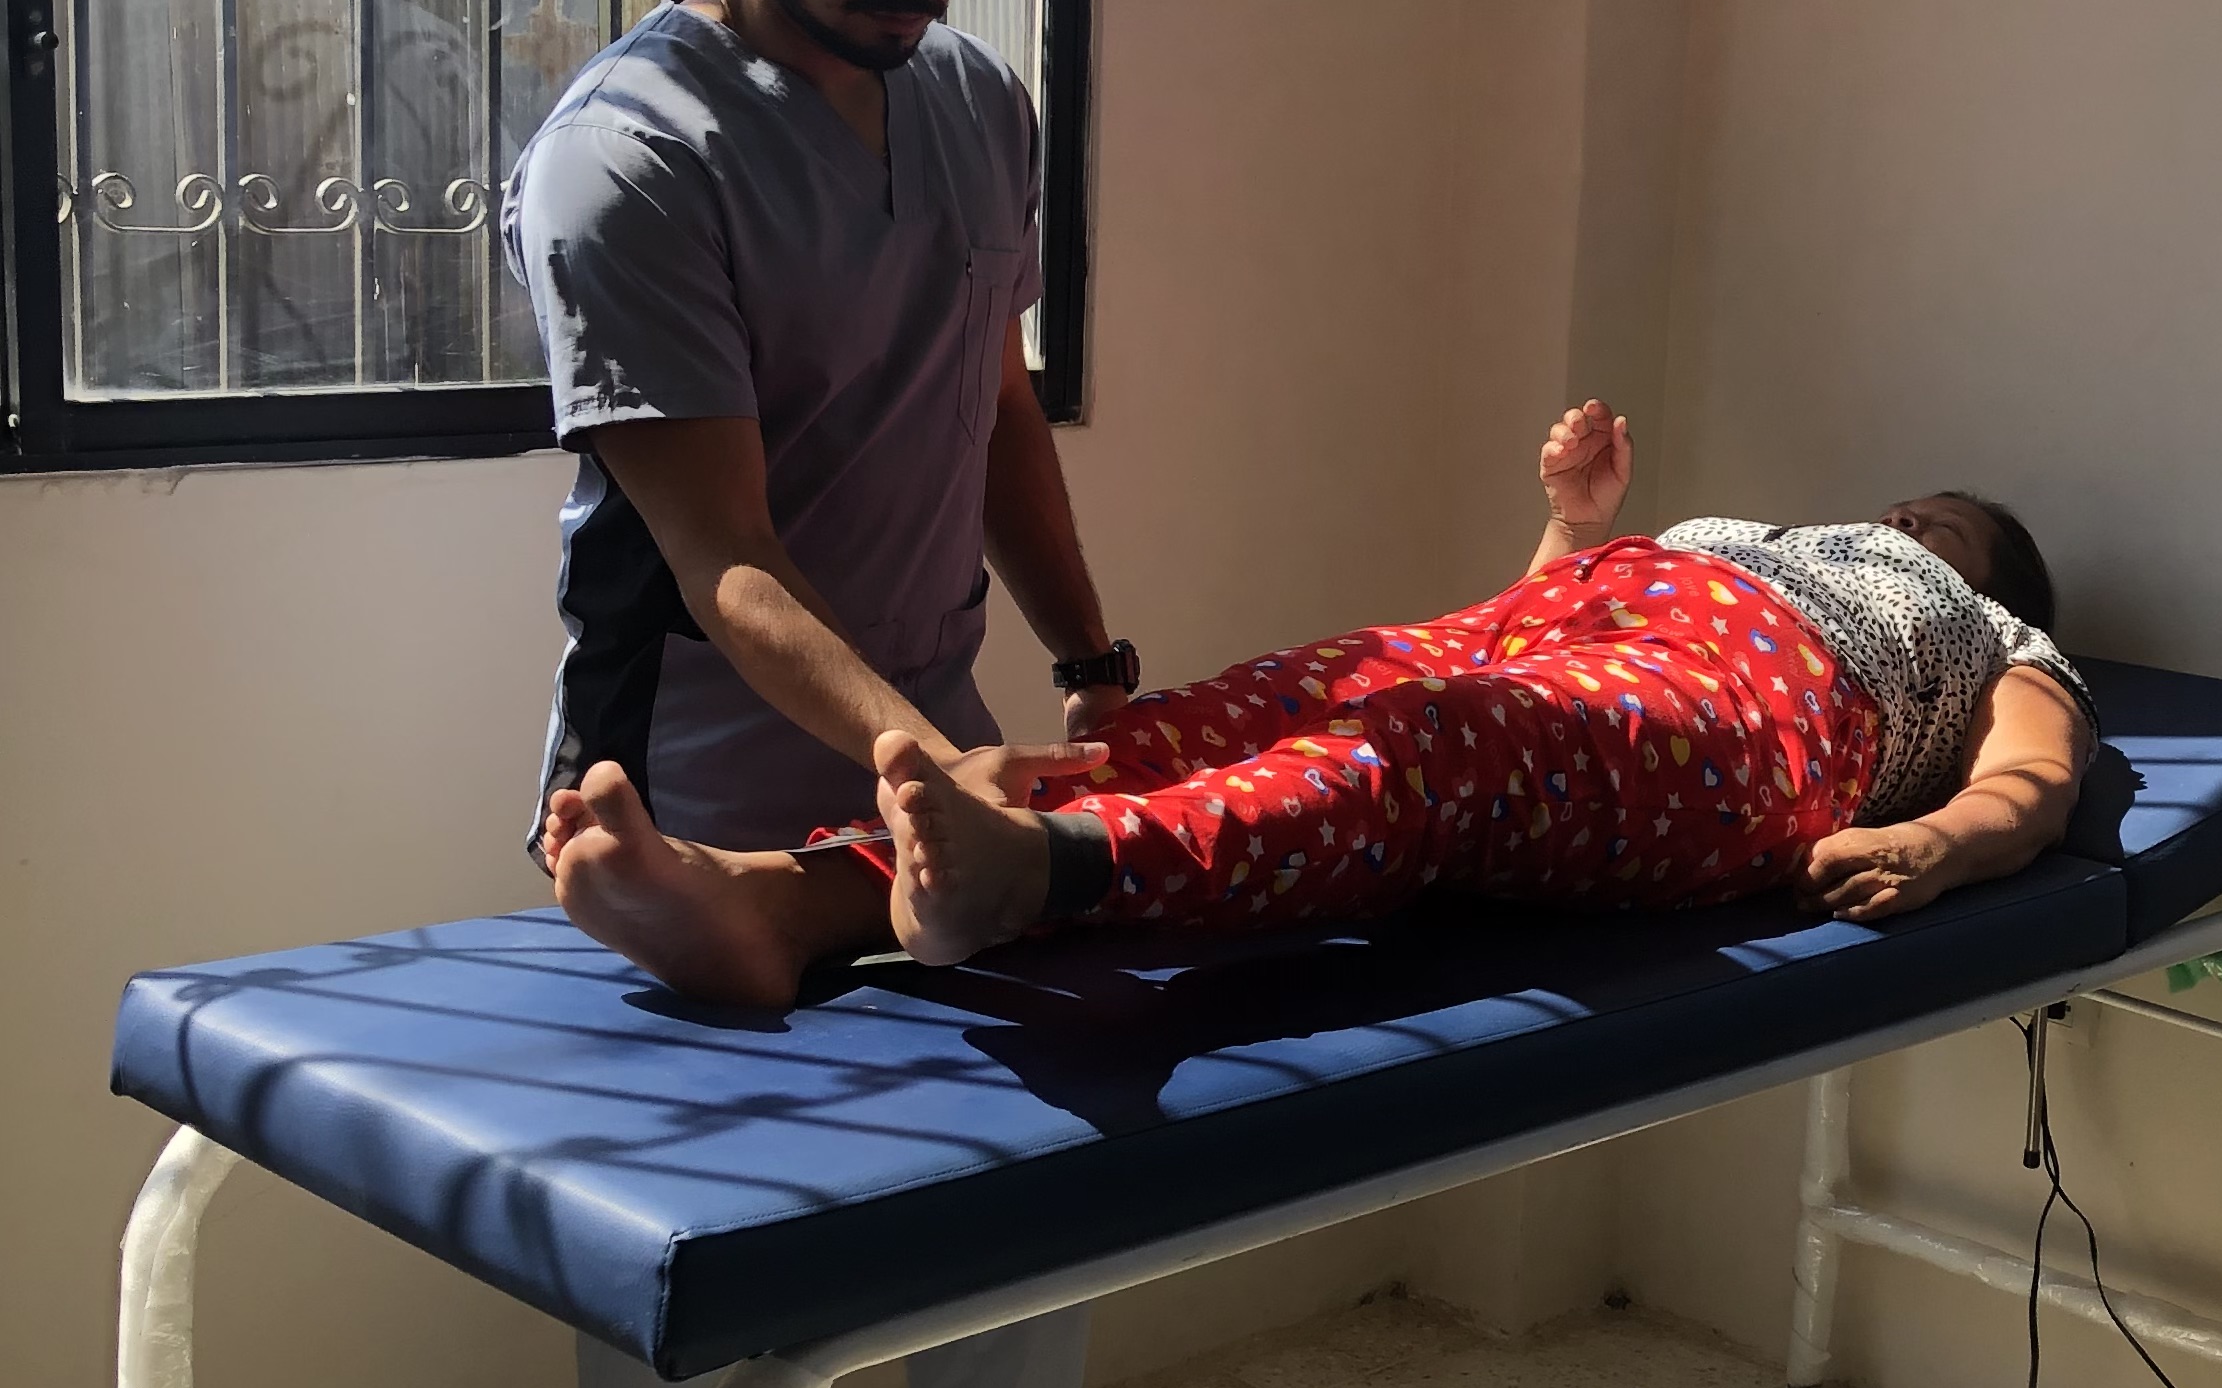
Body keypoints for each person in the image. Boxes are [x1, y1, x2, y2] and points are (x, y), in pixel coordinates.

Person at [502, 0, 1207, 1388]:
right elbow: (720, 553)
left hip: (937, 746)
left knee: (1050, 1152)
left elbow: (989, 406)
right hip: (688, 788)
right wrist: (923, 756)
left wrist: (1089, 657)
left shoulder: (975, 104)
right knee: (697, 1259)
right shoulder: (629, 154)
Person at [543, 394, 2096, 993]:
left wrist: (1940, 845)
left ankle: (1053, 869)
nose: (1909, 524)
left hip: (1748, 729)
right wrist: (1574, 521)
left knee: (1425, 751)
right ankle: (783, 899)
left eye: (1945, 531)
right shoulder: (1749, 534)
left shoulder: (1979, 631)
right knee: (1248, 705)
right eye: (1908, 508)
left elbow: (2034, 777)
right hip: (1555, 639)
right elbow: (1529, 633)